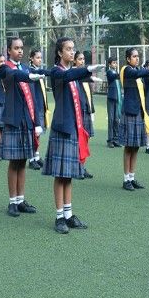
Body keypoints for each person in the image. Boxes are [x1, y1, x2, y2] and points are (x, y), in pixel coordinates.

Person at [42, 37, 104, 233]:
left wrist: (88, 75)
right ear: (60, 53)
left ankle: (68, 214)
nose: (72, 52)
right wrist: (88, 70)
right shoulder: (57, 72)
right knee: (60, 175)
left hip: (74, 128)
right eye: (68, 49)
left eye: (73, 49)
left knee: (68, 175)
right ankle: (59, 216)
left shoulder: (72, 74)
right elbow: (70, 76)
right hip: (62, 128)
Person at [0, 37, 44, 217]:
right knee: (13, 162)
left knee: (23, 161)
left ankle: (21, 200)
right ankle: (12, 202)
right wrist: (29, 75)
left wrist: (37, 123)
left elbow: (33, 98)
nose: (19, 51)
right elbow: (14, 76)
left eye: (21, 48)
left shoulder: (26, 68)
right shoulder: (5, 67)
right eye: (16, 48)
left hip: (27, 120)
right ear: (8, 50)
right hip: (13, 120)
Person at [120, 48, 149, 191]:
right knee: (128, 147)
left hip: (139, 112)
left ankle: (132, 178)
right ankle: (126, 179)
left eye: (138, 56)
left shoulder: (138, 71)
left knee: (136, 146)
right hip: (130, 112)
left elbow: (147, 78)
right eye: (134, 56)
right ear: (128, 59)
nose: (136, 58)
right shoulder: (127, 70)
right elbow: (139, 73)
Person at [73, 51, 102, 179]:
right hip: (77, 112)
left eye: (83, 59)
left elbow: (89, 96)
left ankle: (82, 166)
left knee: (86, 139)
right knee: (78, 141)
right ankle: (76, 167)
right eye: (79, 59)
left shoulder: (84, 74)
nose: (82, 61)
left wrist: (92, 111)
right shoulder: (74, 74)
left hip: (86, 110)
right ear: (74, 61)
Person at [28, 49, 51, 170]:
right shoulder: (30, 70)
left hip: (41, 106)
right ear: (31, 58)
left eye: (41, 58)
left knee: (39, 133)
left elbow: (42, 71)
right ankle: (31, 158)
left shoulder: (37, 71)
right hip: (34, 107)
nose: (40, 60)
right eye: (37, 57)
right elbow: (42, 71)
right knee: (34, 133)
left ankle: (36, 156)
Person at [106, 56, 123, 148]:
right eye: (113, 63)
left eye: (116, 62)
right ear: (109, 64)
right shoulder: (109, 72)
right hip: (111, 98)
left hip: (118, 98)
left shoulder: (116, 72)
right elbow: (113, 77)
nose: (115, 64)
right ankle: (110, 140)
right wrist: (122, 73)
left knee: (117, 120)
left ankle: (116, 139)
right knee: (111, 120)